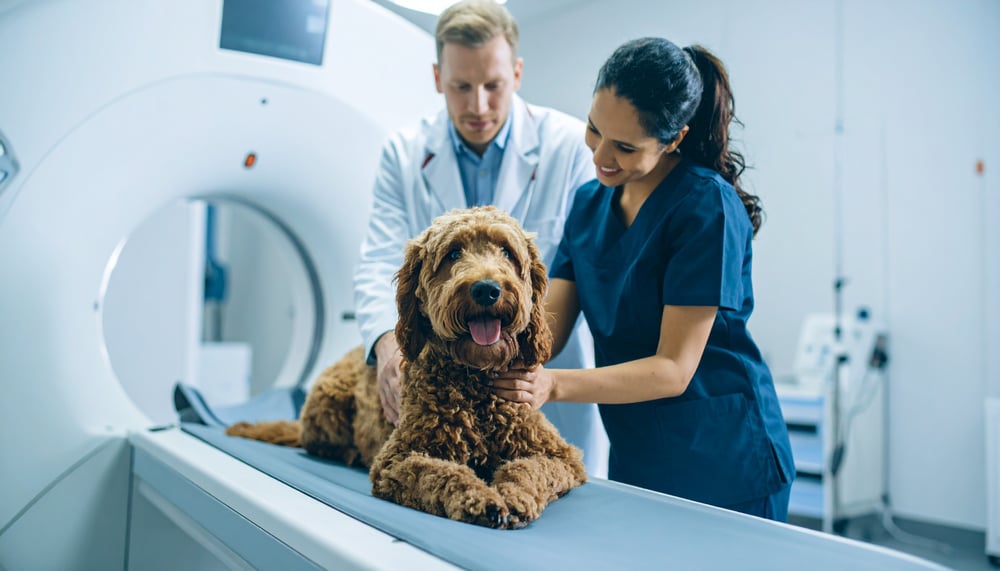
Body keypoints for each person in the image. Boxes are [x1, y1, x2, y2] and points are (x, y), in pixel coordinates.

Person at [491, 37, 795, 521]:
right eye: (594, 130)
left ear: (673, 140)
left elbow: (673, 368)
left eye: (625, 147)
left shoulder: (706, 205)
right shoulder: (588, 204)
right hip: (640, 453)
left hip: (725, 459)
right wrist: (481, 343)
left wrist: (553, 385)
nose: (600, 155)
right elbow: (546, 329)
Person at [352, 0, 609, 477]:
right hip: (444, 386)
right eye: (461, 87)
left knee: (550, 489)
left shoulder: (570, 148)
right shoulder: (402, 154)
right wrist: (388, 345)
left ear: (517, 73)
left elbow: (581, 274)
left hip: (537, 383)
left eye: (493, 86)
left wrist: (532, 357)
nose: (478, 106)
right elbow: (380, 261)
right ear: (437, 78)